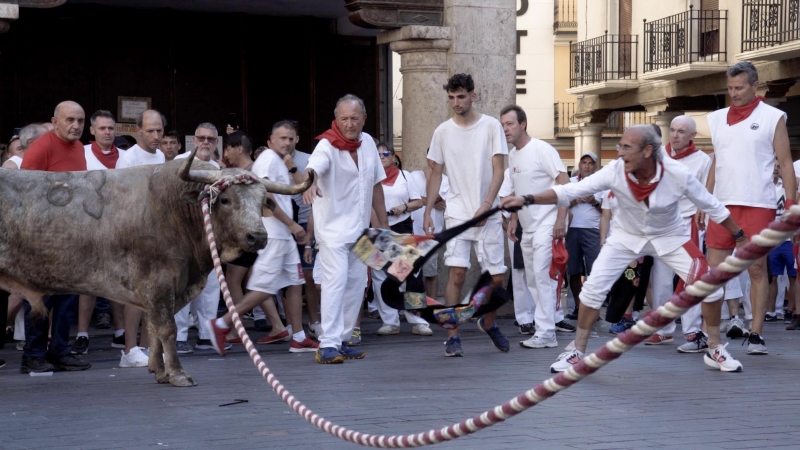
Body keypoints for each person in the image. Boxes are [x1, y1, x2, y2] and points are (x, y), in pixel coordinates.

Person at [502, 125, 747, 373]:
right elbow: (569, 190)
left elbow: (713, 206)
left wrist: (739, 235)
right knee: (592, 292)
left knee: (711, 288)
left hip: (669, 236)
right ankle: (576, 352)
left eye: (627, 147)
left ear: (648, 151)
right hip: (625, 237)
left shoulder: (677, 173)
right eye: (620, 146)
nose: (620, 152)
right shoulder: (615, 171)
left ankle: (715, 348)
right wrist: (527, 199)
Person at [702, 62, 796, 355]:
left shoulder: (772, 117)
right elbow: (717, 161)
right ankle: (712, 335)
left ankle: (755, 333)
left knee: (756, 268)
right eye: (730, 88)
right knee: (715, 273)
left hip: (758, 203)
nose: (734, 93)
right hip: (722, 205)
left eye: (739, 88)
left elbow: (786, 161)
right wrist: (706, 199)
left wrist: (791, 203)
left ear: (755, 86)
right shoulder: (716, 119)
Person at [206, 121, 318, 354]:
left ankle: (298, 337)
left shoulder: (280, 161)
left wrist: (290, 167)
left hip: (283, 234)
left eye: (290, 138)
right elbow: (264, 195)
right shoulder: (267, 159)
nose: (286, 142)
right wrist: (291, 224)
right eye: (282, 138)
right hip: (274, 232)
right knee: (264, 288)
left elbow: (303, 188)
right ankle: (221, 323)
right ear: (270, 141)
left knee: (295, 283)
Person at [424, 73, 509, 357]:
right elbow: (435, 172)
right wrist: (427, 210)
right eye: (451, 97)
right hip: (458, 213)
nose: (456, 103)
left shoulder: (491, 126)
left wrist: (487, 203)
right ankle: (452, 335)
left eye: (461, 97)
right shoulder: (442, 132)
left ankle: (488, 321)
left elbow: (499, 169)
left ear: (473, 95)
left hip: (488, 211)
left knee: (496, 277)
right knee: (456, 274)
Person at [302, 94, 389, 364]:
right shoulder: (326, 145)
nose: (349, 124)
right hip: (332, 232)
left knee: (356, 285)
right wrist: (311, 182)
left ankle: (342, 339)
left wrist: (383, 226)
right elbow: (314, 168)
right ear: (336, 119)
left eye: (354, 118)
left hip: (361, 232)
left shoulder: (369, 144)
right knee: (334, 283)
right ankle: (327, 345)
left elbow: (376, 184)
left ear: (364, 118)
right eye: (344, 119)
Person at [18, 101, 92, 373]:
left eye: (80, 121)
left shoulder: (78, 149)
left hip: (71, 237)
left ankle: (59, 350)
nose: (76, 126)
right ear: (55, 121)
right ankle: (33, 354)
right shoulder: (41, 147)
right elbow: (23, 195)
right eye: (70, 120)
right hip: (43, 237)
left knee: (68, 298)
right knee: (40, 298)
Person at [499, 105, 570, 349]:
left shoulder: (542, 149)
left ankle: (547, 332)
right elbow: (520, 192)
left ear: (523, 124)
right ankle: (544, 330)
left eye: (509, 124)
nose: (506, 129)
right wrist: (515, 220)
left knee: (542, 277)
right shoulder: (514, 155)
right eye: (503, 125)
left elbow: (564, 184)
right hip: (527, 227)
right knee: (532, 280)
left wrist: (561, 220)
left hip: (548, 223)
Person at [648, 115, 713, 351]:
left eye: (681, 131)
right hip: (663, 224)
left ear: (693, 136)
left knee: (692, 276)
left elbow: (707, 191)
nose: (675, 135)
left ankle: (693, 329)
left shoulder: (702, 160)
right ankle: (663, 329)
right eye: (673, 130)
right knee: (661, 278)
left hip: (688, 224)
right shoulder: (658, 156)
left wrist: (702, 212)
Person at [115, 109, 167, 368]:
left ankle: (147, 347)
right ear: (138, 131)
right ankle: (129, 350)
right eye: (151, 131)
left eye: (159, 130)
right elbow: (120, 199)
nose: (156, 136)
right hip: (135, 233)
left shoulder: (160, 155)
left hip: (157, 232)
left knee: (153, 295)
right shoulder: (128, 158)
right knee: (136, 294)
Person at [72, 110, 126, 355]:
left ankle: (120, 332)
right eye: (102, 128)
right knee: (88, 283)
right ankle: (82, 334)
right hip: (88, 227)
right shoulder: (79, 153)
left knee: (117, 281)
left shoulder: (125, 157)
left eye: (111, 128)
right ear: (92, 130)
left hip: (119, 228)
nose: (107, 132)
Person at [173, 123, 230, 353]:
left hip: (209, 236)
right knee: (182, 285)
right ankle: (179, 336)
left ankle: (206, 335)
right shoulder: (179, 163)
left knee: (210, 285)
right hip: (184, 235)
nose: (205, 142)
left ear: (216, 142)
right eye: (201, 138)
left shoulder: (217, 167)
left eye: (210, 139)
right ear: (193, 141)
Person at [371, 143, 433, 336]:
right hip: (377, 229)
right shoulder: (370, 178)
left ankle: (417, 319)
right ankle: (390, 321)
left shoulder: (405, 176)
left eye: (385, 154)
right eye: (377, 154)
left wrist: (403, 208)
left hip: (402, 227)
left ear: (394, 157)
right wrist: (380, 225)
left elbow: (418, 201)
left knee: (410, 273)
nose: (381, 157)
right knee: (380, 274)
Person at [565, 152, 602, 320]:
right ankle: (579, 307)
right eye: (584, 162)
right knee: (573, 270)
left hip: (593, 230)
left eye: (591, 163)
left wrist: (594, 201)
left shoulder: (602, 184)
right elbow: (560, 203)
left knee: (594, 271)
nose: (587, 166)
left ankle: (593, 308)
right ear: (579, 166)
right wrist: (575, 201)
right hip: (571, 229)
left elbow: (607, 210)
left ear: (596, 166)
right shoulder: (570, 183)